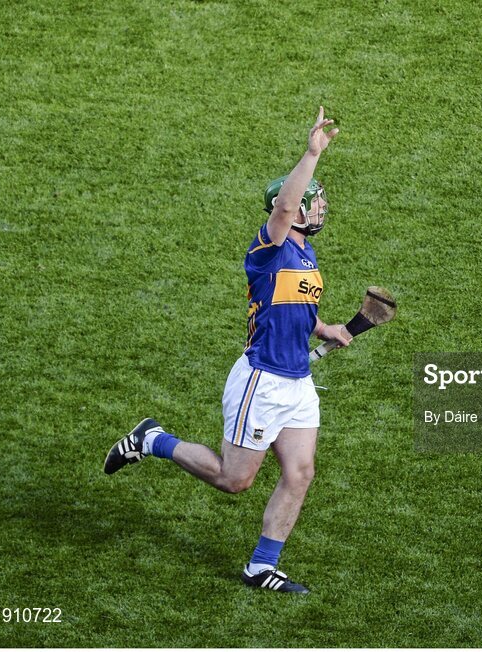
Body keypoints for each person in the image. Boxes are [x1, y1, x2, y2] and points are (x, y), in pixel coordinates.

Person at [103, 107, 350, 595]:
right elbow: (282, 210)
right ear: (292, 207)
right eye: (311, 201)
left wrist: (324, 328)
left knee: (300, 472)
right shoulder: (269, 248)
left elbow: (296, 305)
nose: (318, 207)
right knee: (234, 479)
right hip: (262, 380)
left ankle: (262, 566)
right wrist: (311, 154)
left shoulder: (305, 255)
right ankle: (153, 439)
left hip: (298, 381)